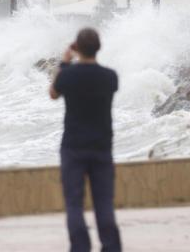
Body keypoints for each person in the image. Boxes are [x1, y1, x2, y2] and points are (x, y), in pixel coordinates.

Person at [49, 28, 121, 252]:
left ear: (77, 48)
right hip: (101, 146)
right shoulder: (110, 77)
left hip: (73, 146)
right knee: (104, 203)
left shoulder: (68, 75)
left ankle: (80, 248)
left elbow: (53, 93)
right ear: (98, 48)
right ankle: (110, 247)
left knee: (74, 203)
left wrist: (64, 62)